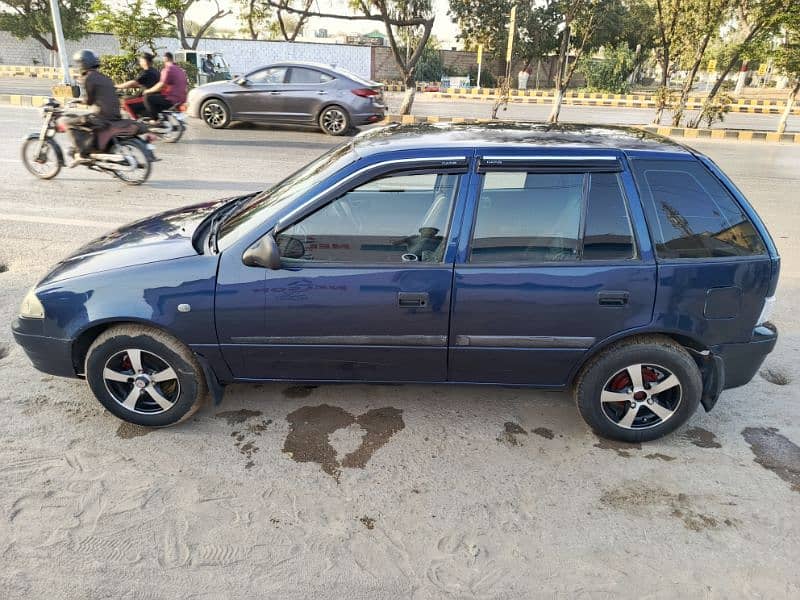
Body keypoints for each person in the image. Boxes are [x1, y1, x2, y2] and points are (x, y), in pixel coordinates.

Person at [62, 49, 121, 162]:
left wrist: (77, 101)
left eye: (78, 63)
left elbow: (88, 101)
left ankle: (82, 152)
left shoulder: (88, 78)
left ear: (83, 63)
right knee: (84, 121)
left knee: (68, 123)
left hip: (102, 116)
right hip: (115, 114)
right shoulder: (105, 77)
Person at [143, 52, 188, 121]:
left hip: (172, 100)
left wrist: (148, 90)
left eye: (164, 60)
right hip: (182, 99)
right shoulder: (180, 69)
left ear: (166, 59)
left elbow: (161, 84)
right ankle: (164, 118)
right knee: (159, 97)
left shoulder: (168, 69)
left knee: (148, 97)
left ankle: (155, 121)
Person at [116, 52, 160, 118]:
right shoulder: (155, 71)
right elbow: (140, 84)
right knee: (127, 98)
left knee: (125, 102)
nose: (139, 62)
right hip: (154, 97)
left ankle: (135, 121)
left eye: (140, 60)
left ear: (144, 61)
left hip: (146, 98)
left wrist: (117, 86)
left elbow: (133, 83)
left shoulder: (146, 72)